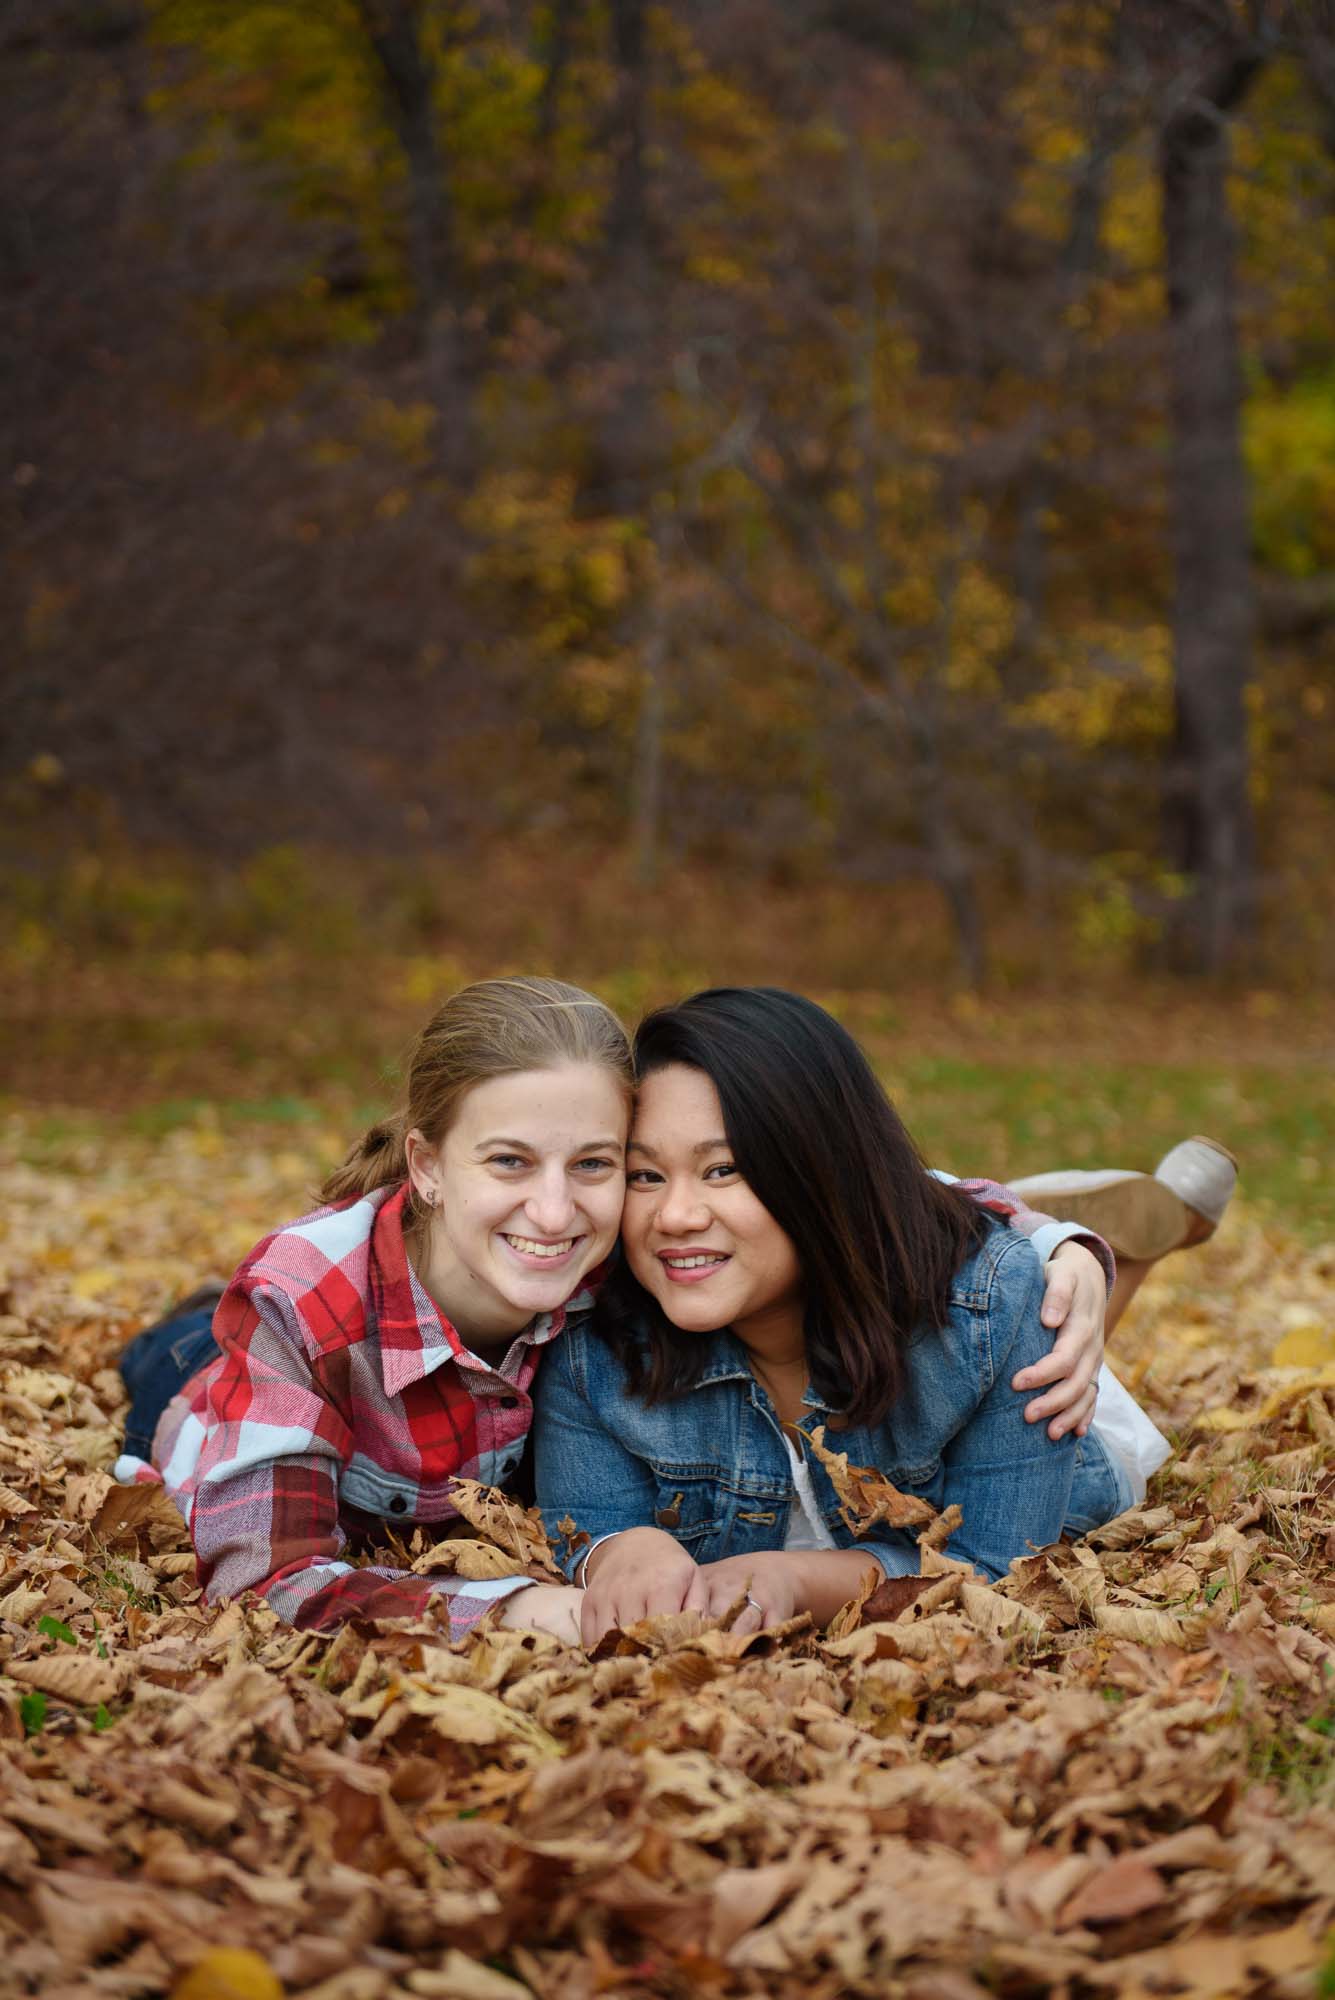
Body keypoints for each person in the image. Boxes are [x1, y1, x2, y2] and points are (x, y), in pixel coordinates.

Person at [532, 988, 1187, 1648]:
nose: (673, 1216)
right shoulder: (590, 1333)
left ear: (820, 1170)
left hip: (1018, 1400)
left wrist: (794, 1581)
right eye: (645, 1176)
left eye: (723, 1169)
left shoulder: (990, 1308)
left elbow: (1000, 1570)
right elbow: (588, 1518)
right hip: (850, 1251)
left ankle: (1122, 1244)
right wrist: (622, 1551)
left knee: (1054, 1304)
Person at [114, 975, 636, 1641]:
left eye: (592, 1164)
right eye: (510, 1161)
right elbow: (262, 1584)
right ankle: (199, 1315)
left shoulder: (615, 1275)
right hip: (197, 1395)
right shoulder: (300, 1299)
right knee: (175, 1348)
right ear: (427, 1166)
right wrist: (508, 1611)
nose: (556, 1210)